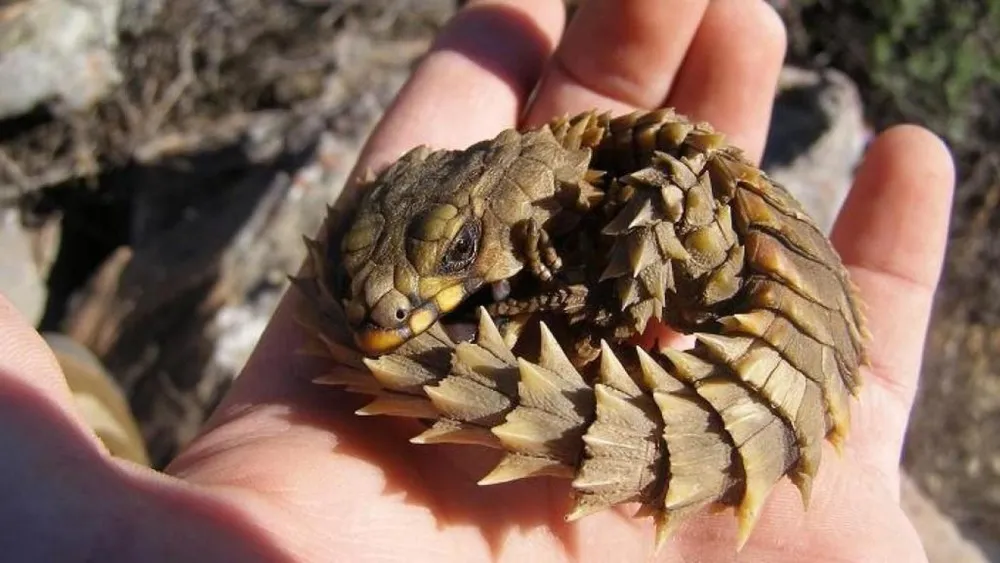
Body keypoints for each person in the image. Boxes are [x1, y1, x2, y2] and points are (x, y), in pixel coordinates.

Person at [0, 1, 954, 561]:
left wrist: (578, 306)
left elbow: (657, 221)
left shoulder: (618, 183)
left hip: (781, 348)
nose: (392, 315)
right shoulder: (529, 198)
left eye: (460, 258)